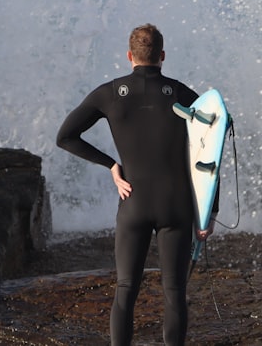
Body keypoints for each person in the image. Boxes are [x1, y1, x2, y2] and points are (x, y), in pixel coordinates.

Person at [56, 23, 217, 346]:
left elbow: (65, 137)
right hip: (177, 205)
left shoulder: (109, 94)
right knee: (174, 290)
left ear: (129, 56)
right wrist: (209, 212)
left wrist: (112, 166)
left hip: (134, 202)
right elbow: (211, 151)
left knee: (126, 288)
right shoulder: (185, 96)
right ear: (162, 55)